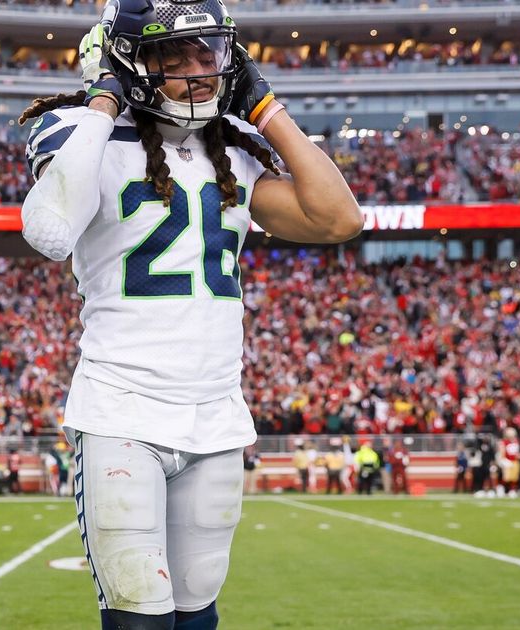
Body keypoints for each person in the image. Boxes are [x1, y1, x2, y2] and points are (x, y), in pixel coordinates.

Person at [18, 1, 360, 627]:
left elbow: (339, 219)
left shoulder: (232, 149)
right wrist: (105, 100)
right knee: (140, 615)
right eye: (182, 56)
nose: (205, 72)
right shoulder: (80, 132)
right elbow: (49, 230)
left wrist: (268, 109)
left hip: (216, 413)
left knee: (198, 612)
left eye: (213, 53)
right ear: (133, 60)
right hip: (123, 406)